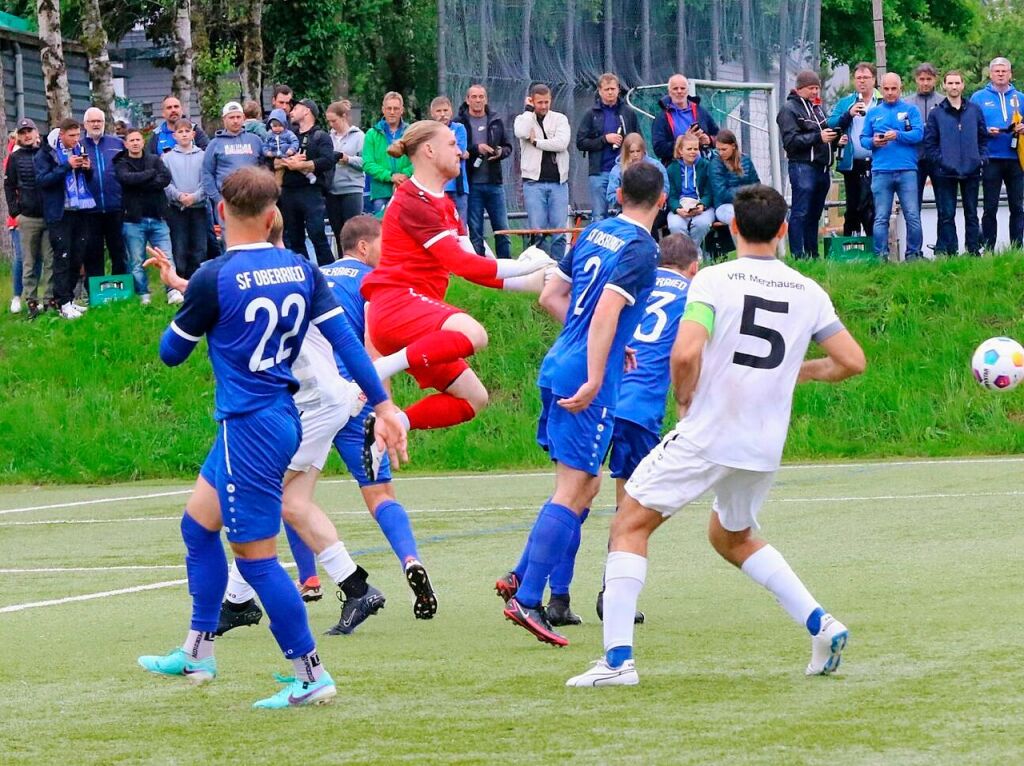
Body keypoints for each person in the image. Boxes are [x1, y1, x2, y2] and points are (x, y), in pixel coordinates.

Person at [565, 184, 866, 687]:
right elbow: (851, 361)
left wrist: (684, 398)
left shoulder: (713, 281)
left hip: (710, 431)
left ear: (730, 228)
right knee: (731, 536)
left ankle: (617, 662)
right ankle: (820, 624)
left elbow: (685, 354)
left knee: (628, 525)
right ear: (785, 230)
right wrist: (798, 371)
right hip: (763, 442)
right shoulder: (808, 291)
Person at [136, 166, 406, 709]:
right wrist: (383, 403)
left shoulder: (213, 276)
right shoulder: (303, 269)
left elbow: (171, 352)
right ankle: (197, 650)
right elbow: (349, 344)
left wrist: (190, 314)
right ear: (271, 217)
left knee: (256, 557)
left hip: (250, 426)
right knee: (197, 526)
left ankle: (311, 674)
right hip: (277, 418)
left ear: (219, 214)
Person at [496, 233, 697, 629]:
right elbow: (685, 354)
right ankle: (612, 594)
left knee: (577, 494)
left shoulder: (638, 276)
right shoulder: (691, 293)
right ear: (694, 267)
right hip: (636, 407)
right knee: (628, 509)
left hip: (599, 387)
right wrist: (686, 403)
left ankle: (555, 595)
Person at [500, 162, 664, 647]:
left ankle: (518, 575)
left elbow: (553, 295)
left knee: (583, 487)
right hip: (583, 377)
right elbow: (607, 310)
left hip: (558, 363)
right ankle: (527, 600)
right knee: (573, 491)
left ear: (618, 194)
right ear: (660, 199)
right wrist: (597, 370)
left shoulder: (594, 231)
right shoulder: (642, 247)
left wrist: (608, 343)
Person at [360, 120, 551, 443]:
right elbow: (462, 264)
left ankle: (397, 425)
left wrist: (532, 282)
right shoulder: (412, 200)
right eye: (451, 144)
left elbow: (478, 268)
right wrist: (523, 265)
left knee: (473, 399)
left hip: (416, 320)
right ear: (429, 151)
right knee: (473, 334)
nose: (461, 152)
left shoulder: (444, 205)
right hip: (396, 306)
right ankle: (382, 368)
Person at [319, 215, 438, 618]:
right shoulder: (370, 283)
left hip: (311, 401)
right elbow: (375, 349)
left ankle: (310, 579)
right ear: (364, 247)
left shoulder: (314, 277)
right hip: (354, 398)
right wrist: (383, 406)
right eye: (383, 244)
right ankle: (409, 559)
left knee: (294, 495)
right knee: (380, 496)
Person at [777, 70, 842, 259]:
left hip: (822, 168)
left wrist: (836, 141)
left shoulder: (816, 109)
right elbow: (790, 142)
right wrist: (818, 137)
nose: (815, 92)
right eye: (811, 88)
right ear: (799, 89)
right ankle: (798, 255)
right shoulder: (789, 109)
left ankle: (813, 253)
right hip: (803, 167)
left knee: (815, 214)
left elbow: (822, 137)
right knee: (801, 211)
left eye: (817, 88)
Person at [861, 72, 924, 261]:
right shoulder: (873, 112)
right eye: (886, 89)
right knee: (881, 216)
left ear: (900, 88)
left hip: (907, 170)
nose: (890, 93)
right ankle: (881, 256)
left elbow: (918, 134)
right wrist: (874, 141)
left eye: (893, 89)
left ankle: (913, 254)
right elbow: (863, 139)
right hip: (881, 171)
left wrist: (897, 135)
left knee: (912, 214)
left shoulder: (911, 110)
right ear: (881, 89)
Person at [35, 118, 94, 320]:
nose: (76, 139)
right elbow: (43, 181)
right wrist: (66, 166)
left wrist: (87, 169)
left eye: (78, 135)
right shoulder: (47, 153)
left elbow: (88, 181)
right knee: (62, 257)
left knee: (78, 256)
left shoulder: (79, 148)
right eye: (71, 136)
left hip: (80, 210)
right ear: (61, 134)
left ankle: (69, 299)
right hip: (59, 212)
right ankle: (62, 303)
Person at [925, 70, 988, 256]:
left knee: (971, 213)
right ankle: (950, 252)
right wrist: (941, 162)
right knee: (947, 214)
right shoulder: (936, 113)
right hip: (945, 172)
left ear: (962, 85)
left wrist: (981, 159)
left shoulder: (974, 110)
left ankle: (973, 250)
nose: (954, 87)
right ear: (944, 85)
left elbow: (983, 138)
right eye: (950, 83)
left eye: (957, 83)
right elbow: (930, 143)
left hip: (972, 170)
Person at [514, 83, 572, 261]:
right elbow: (520, 131)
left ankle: (558, 268)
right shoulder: (523, 119)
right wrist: (527, 110)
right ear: (532, 101)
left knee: (559, 232)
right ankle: (540, 267)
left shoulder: (560, 119)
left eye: (547, 102)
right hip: (533, 183)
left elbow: (562, 143)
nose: (544, 106)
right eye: (539, 102)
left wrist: (537, 142)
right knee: (537, 231)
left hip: (558, 183)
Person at [970, 57, 1024, 250]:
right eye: (997, 71)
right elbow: (971, 126)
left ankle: (1017, 248)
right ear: (990, 74)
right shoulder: (978, 98)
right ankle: (989, 248)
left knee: (1017, 206)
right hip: (991, 157)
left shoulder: (1020, 97)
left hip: (1016, 159)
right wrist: (986, 131)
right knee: (990, 207)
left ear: (1010, 74)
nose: (1000, 74)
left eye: (1004, 71)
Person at [275, 99, 336, 266]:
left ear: (307, 111)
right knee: (294, 238)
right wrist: (288, 161)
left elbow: (328, 160)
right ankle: (302, 273)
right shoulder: (288, 135)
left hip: (311, 193)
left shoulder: (320, 136)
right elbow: (273, 158)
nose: (291, 111)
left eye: (295, 108)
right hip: (288, 192)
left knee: (317, 235)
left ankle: (328, 273)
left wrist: (303, 165)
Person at [115, 128, 173, 305]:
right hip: (133, 220)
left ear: (143, 142)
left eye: (138, 140)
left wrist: (141, 182)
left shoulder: (154, 159)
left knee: (167, 257)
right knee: (137, 260)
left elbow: (165, 178)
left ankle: (172, 290)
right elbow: (127, 179)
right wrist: (150, 175)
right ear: (126, 144)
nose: (135, 143)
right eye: (131, 140)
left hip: (158, 216)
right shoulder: (121, 163)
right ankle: (143, 294)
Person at [455, 84, 513, 259]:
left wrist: (501, 152)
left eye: (481, 97)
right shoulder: (460, 123)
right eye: (474, 97)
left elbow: (508, 146)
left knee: (502, 228)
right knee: (476, 230)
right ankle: (479, 268)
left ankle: (506, 266)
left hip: (495, 183)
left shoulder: (496, 120)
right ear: (467, 100)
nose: (478, 100)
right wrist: (476, 149)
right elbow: (459, 148)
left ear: (486, 99)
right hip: (472, 184)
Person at [5, 118, 54, 320]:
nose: (26, 135)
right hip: (28, 217)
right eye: (22, 132)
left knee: (50, 261)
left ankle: (50, 300)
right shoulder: (15, 158)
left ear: (36, 132)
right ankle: (31, 302)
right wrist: (15, 211)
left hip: (49, 215)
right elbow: (9, 185)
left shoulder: (47, 152)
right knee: (29, 262)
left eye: (29, 131)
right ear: (18, 135)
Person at [576, 73, 639, 220]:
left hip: (624, 171)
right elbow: (581, 142)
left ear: (618, 89)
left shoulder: (628, 113)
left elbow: (638, 139)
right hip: (599, 173)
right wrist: (604, 139)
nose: (610, 92)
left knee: (626, 213)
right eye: (606, 89)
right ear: (599, 90)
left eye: (613, 88)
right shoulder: (591, 114)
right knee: (599, 215)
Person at [828, 62, 880, 237]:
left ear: (874, 79)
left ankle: (875, 245)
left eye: (866, 78)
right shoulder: (846, 102)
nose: (862, 81)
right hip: (852, 163)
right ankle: (851, 244)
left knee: (873, 206)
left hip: (877, 162)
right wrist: (848, 114)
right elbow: (831, 123)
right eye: (858, 78)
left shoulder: (881, 102)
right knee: (853, 205)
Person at [202, 101, 263, 246]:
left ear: (243, 118)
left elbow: (265, 167)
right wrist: (217, 199)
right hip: (227, 202)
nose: (235, 121)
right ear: (224, 120)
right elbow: (207, 173)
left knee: (255, 240)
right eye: (231, 117)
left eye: (238, 117)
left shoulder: (255, 141)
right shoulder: (214, 144)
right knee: (230, 241)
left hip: (252, 200)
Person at [81, 107, 128, 279]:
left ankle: (121, 289)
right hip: (89, 209)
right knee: (93, 253)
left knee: (118, 250)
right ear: (85, 124)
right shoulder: (79, 145)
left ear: (104, 123)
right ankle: (96, 291)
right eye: (92, 121)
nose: (95, 124)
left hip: (115, 206)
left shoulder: (116, 144)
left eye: (99, 121)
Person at [162, 119, 209, 281]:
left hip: (199, 208)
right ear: (174, 136)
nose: (184, 134)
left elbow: (206, 181)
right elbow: (166, 183)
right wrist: (180, 196)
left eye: (187, 131)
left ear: (193, 134)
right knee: (179, 246)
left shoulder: (203, 156)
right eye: (180, 132)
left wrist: (194, 197)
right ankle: (180, 281)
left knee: (199, 247)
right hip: (177, 209)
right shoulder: (167, 158)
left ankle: (198, 281)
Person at [325, 100, 366, 255]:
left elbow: (365, 163)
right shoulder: (328, 137)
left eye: (334, 120)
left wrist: (348, 159)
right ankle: (341, 262)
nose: (331, 124)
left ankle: (357, 263)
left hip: (352, 189)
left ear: (344, 117)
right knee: (338, 233)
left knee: (354, 233)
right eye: (329, 121)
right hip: (332, 190)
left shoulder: (360, 137)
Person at [651, 74, 719, 165]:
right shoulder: (661, 118)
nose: (679, 91)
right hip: (675, 169)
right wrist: (683, 141)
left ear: (687, 91)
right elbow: (659, 149)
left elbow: (719, 136)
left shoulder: (701, 112)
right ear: (669, 92)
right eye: (675, 88)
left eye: (682, 88)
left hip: (702, 166)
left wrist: (709, 140)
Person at [363, 92, 413, 214]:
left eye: (396, 108)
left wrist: (405, 174)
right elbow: (367, 163)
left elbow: (419, 160)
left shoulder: (411, 132)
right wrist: (390, 176)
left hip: (407, 189)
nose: (392, 112)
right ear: (383, 110)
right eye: (388, 108)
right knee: (382, 230)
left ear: (402, 110)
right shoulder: (371, 134)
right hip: (381, 192)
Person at [666, 134, 715, 255]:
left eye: (696, 149)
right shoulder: (672, 169)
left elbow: (710, 192)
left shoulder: (706, 166)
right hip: (681, 205)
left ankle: (693, 253)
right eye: (689, 149)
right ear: (680, 151)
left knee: (701, 224)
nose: (693, 152)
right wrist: (677, 209)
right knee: (675, 225)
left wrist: (702, 205)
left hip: (700, 204)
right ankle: (688, 255)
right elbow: (670, 195)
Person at [605, 132, 669, 215]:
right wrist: (627, 197)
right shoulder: (617, 170)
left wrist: (651, 198)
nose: (635, 155)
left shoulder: (656, 166)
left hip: (652, 209)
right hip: (626, 211)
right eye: (632, 152)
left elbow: (665, 189)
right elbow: (610, 196)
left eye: (638, 151)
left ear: (643, 150)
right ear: (626, 152)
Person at [430, 96, 470, 225]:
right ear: (432, 114)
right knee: (440, 226)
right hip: (437, 187)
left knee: (460, 227)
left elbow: (459, 150)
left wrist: (439, 149)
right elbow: (429, 154)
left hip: (458, 187)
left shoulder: (459, 128)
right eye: (438, 111)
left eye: (445, 110)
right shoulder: (429, 131)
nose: (442, 114)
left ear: (451, 111)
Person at [708, 129, 761, 226]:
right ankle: (744, 241)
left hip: (748, 202)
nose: (720, 153)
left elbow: (757, 184)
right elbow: (722, 194)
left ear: (733, 146)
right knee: (740, 218)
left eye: (724, 149)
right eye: (718, 149)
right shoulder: (715, 164)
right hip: (724, 206)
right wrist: (747, 191)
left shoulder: (746, 160)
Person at [910, 63, 941, 206]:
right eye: (922, 79)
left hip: (938, 159)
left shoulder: (943, 102)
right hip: (915, 159)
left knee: (944, 206)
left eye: (929, 79)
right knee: (913, 206)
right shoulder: (908, 103)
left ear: (935, 79)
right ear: (916, 79)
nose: (925, 83)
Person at [145, 95, 210, 155]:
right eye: (169, 107)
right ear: (163, 113)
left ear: (181, 110)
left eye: (176, 106)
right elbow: (149, 160)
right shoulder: (156, 134)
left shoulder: (194, 130)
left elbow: (208, 154)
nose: (173, 110)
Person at [262, 108, 308, 184]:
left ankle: (309, 174)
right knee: (278, 174)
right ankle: (277, 190)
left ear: (284, 125)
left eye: (280, 126)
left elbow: (295, 141)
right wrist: (267, 152)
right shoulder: (269, 135)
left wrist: (292, 149)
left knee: (298, 165)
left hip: (288, 154)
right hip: (276, 156)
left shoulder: (288, 133)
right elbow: (264, 145)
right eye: (275, 126)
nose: (277, 128)